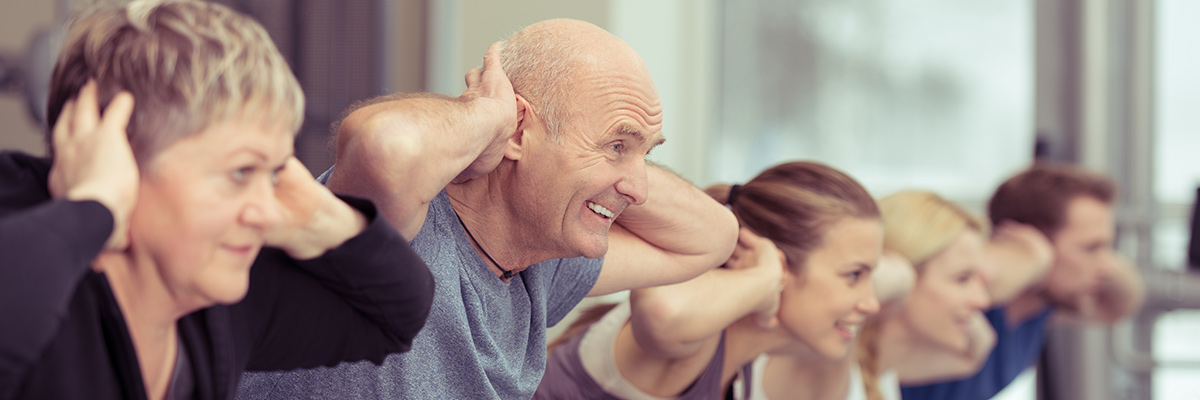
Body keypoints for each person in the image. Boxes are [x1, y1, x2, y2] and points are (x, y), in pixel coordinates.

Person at [237, 18, 739, 399]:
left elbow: (711, 237)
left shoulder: (541, 259)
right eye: (615, 146)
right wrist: (486, 114)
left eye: (645, 153)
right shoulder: (402, 223)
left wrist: (627, 146)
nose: (639, 190)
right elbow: (386, 146)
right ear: (518, 132)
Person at [0, 2, 434, 399]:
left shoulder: (216, 295)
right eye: (241, 171)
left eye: (276, 172)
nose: (265, 210)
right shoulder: (25, 235)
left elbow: (398, 312)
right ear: (120, 159)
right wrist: (91, 207)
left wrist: (317, 215)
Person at [534, 161, 885, 399]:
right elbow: (663, 313)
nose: (871, 302)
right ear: (777, 260)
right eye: (854, 275)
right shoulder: (698, 339)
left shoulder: (743, 353)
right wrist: (766, 277)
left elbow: (902, 279)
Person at [899, 163, 1146, 400]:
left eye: (1107, 248)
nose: (1108, 267)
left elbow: (1123, 303)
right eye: (1091, 248)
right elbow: (975, 266)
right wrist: (1035, 256)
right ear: (1031, 239)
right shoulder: (967, 297)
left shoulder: (1040, 310)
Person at [847, 191, 993, 400]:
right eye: (962, 278)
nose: (983, 300)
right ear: (902, 276)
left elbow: (977, 352)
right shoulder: (834, 378)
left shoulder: (881, 374)